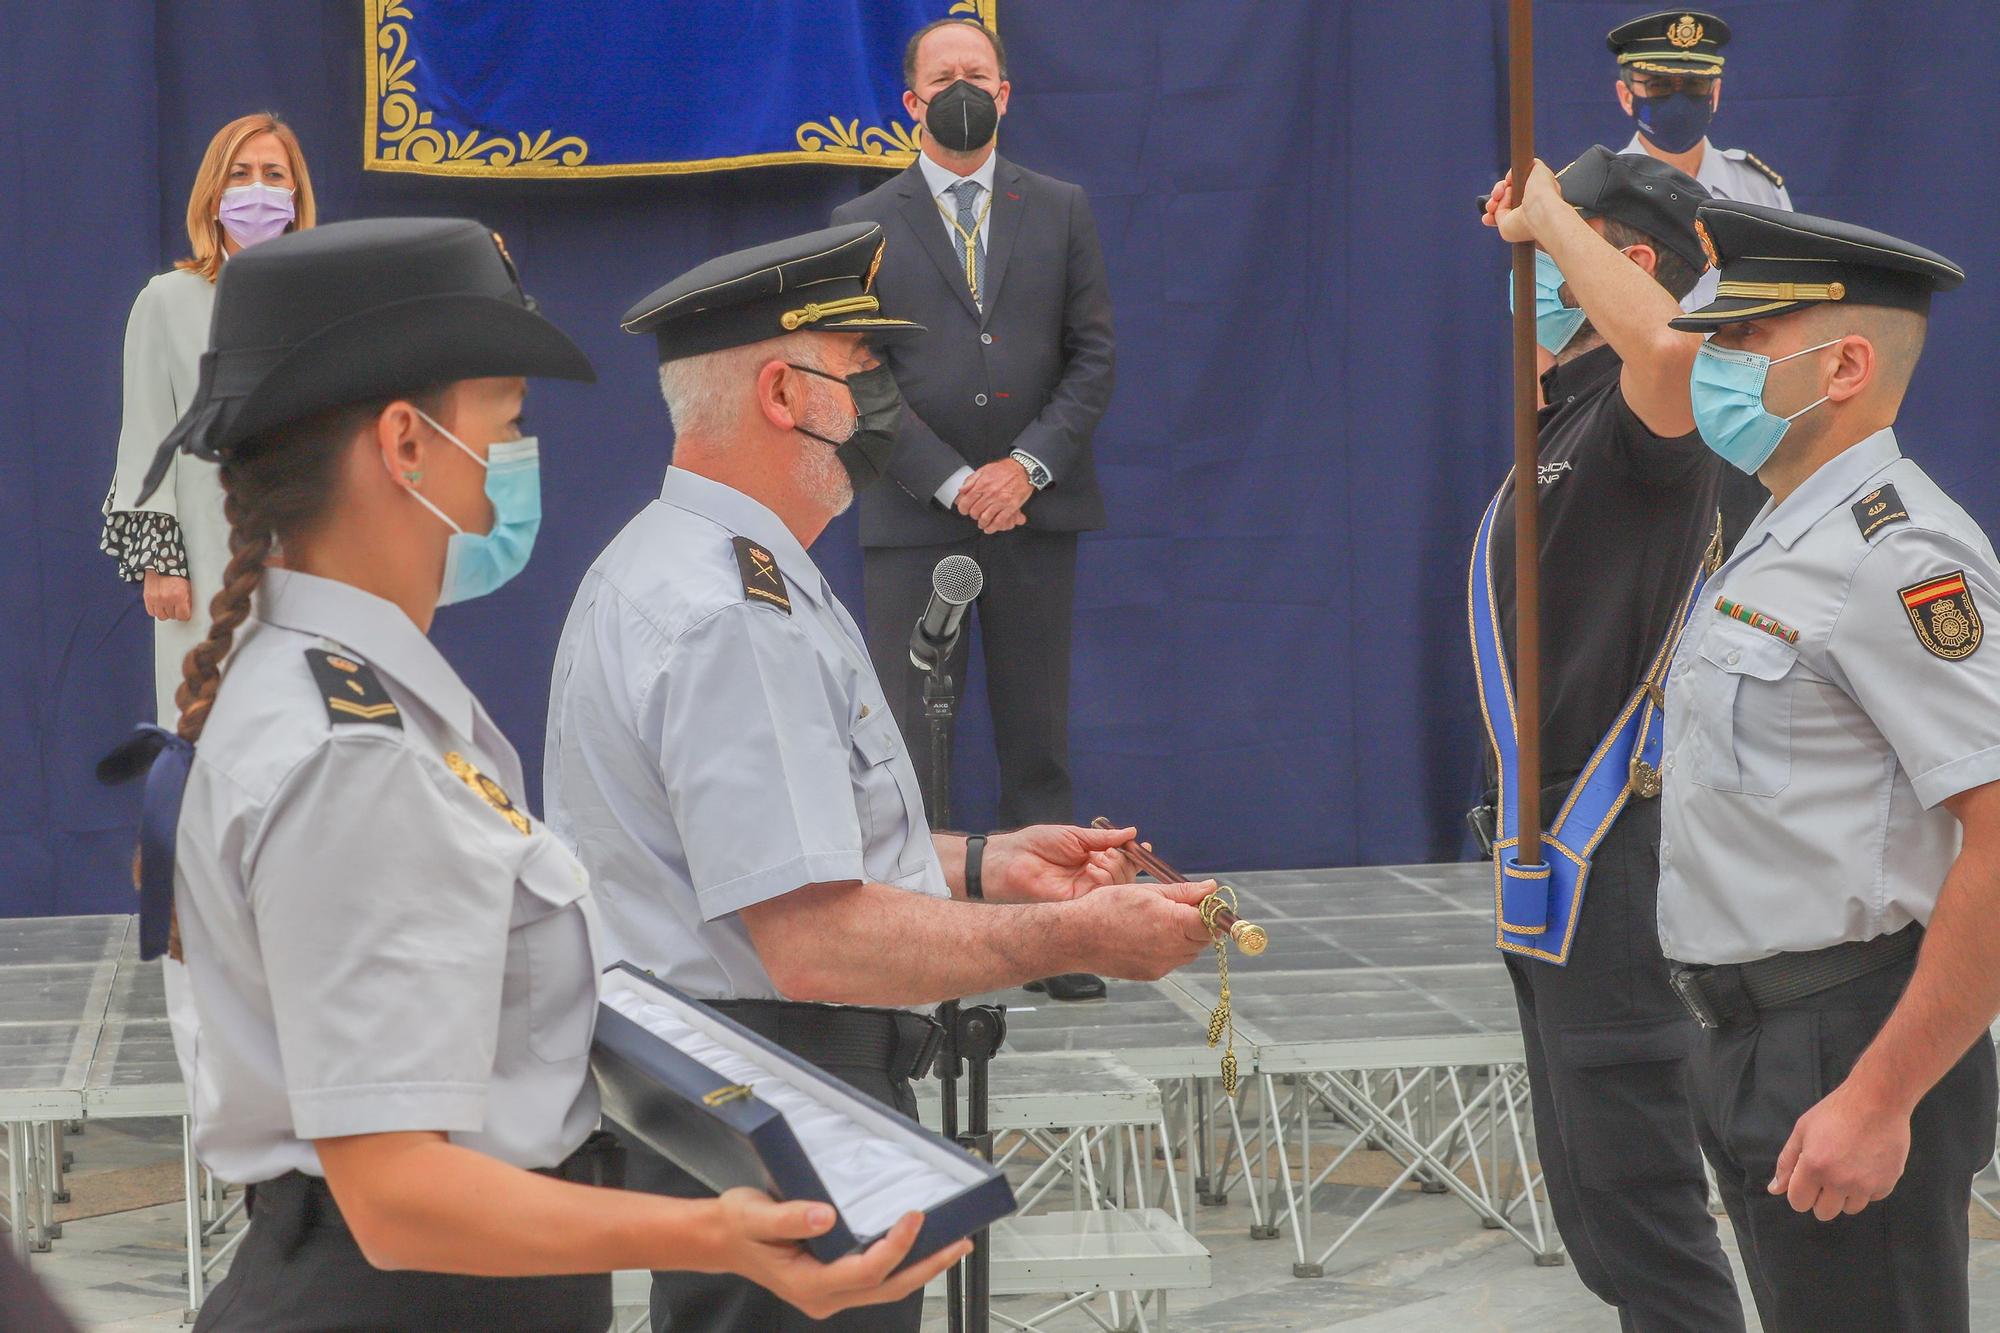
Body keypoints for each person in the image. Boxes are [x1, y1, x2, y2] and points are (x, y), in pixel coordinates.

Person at [104, 217, 965, 1332]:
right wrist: (723, 1233)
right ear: (407, 446)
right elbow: (397, 1196)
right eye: (503, 422)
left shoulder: (362, 697)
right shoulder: (346, 749)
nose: (517, 458)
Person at [546, 220, 1215, 1332]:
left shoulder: (691, 566)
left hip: (742, 1088)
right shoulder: (728, 615)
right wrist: (1078, 938)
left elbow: (784, 849)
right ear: (779, 391)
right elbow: (810, 939)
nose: (885, 407)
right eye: (862, 376)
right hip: (780, 1094)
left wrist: (991, 863)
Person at [1658, 200, 1996, 1332]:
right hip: (1753, 1039)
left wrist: (1880, 1095)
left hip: (1846, 1037)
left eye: (1739, 341)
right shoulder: (1779, 531)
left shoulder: (1895, 553)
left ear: (1843, 363)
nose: (1706, 365)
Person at [1477, 147, 1746, 1331]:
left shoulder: (1654, 414)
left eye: (1552, 257)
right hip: (1550, 859)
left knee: (1642, 1209)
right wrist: (1533, 243)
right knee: (1597, 1207)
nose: (1528, 274)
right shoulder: (1569, 404)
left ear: (1623, 264)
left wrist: (1557, 229)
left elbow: (1679, 347)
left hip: (1616, 853)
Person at [830, 19, 1116, 1003]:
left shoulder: (1062, 208)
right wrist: (954, 479)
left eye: (977, 76)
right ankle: (923, 944)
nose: (962, 89)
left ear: (1006, 93)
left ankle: (1049, 938)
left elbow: (1092, 357)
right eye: (941, 77)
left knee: (1036, 737)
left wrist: (1023, 468)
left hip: (1035, 515)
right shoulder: (860, 221)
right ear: (909, 100)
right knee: (910, 743)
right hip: (914, 518)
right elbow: (856, 378)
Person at [102, 112, 318, 727]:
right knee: (208, 733)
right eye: (240, 174)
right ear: (214, 195)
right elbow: (145, 438)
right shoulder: (167, 301)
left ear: (296, 193)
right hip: (207, 565)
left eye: (274, 174)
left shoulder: (324, 300)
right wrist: (161, 563)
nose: (257, 189)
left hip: (307, 565)